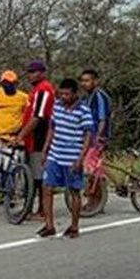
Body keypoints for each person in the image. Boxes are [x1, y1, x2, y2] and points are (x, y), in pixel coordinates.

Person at [40, 78, 93, 239]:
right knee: (47, 188)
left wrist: (80, 159)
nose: (63, 97)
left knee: (74, 191)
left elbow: (88, 136)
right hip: (55, 154)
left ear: (75, 94)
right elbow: (52, 127)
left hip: (72, 156)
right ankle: (49, 225)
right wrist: (45, 149)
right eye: (61, 93)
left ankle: (74, 226)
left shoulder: (83, 110)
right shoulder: (57, 106)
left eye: (67, 94)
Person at [18, 61, 56, 222]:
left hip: (40, 137)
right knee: (33, 175)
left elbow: (38, 117)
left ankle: (42, 210)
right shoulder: (35, 90)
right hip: (31, 138)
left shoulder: (44, 90)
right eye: (28, 72)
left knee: (39, 176)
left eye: (33, 72)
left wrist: (20, 136)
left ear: (42, 73)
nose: (30, 75)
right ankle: (32, 207)